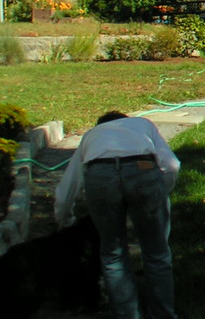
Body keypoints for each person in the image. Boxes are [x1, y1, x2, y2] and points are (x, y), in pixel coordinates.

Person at [55, 111, 180, 319]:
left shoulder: (91, 135)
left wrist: (64, 219)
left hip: (99, 175)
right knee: (157, 252)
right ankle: (163, 314)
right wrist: (160, 193)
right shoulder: (142, 124)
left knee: (113, 254)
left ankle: (127, 314)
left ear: (100, 125)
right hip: (142, 168)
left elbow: (68, 186)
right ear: (126, 119)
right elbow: (172, 165)